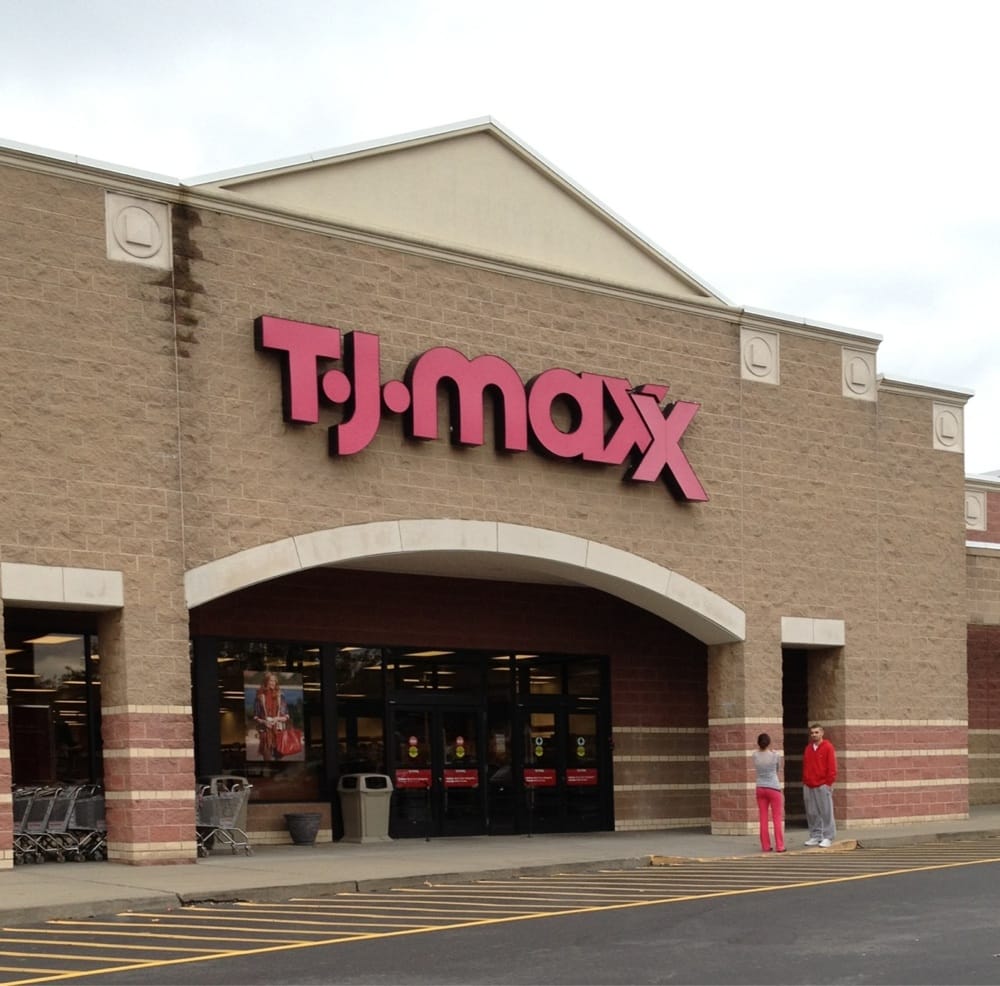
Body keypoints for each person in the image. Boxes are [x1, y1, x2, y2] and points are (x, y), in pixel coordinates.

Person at [803, 722, 837, 847]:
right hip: (809, 784)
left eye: (816, 732)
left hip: (823, 784)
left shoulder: (828, 747)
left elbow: (832, 767)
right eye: (812, 733)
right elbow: (806, 766)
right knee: (812, 813)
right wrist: (805, 781)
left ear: (822, 733)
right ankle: (816, 836)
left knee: (826, 812)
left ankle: (828, 837)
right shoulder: (808, 748)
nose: (814, 735)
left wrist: (828, 783)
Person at [752, 733, 785, 853]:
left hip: (760, 787)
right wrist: (774, 753)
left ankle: (765, 846)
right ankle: (780, 846)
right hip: (773, 787)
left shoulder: (755, 755)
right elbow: (777, 769)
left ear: (758, 743)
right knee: (777, 817)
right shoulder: (775, 755)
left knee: (763, 817)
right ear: (769, 742)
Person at [253, 671, 289, 761]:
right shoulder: (259, 696)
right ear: (266, 682)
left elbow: (286, 716)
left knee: (278, 759)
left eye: (274, 681)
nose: (273, 683)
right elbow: (256, 716)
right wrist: (264, 722)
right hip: (265, 732)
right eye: (271, 680)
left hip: (278, 731)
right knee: (267, 758)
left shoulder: (281, 696)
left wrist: (277, 718)